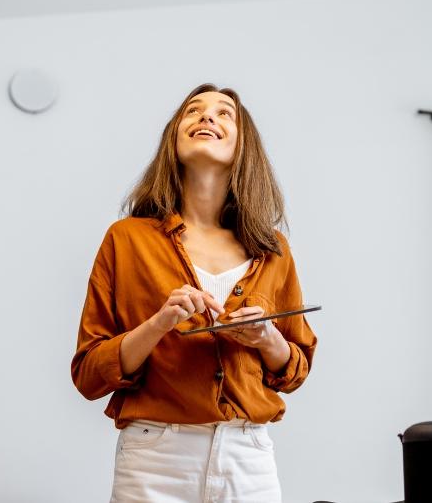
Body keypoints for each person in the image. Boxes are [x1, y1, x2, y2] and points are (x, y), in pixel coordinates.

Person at [71, 83, 317, 503]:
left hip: (248, 460)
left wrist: (267, 339)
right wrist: (158, 324)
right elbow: (89, 374)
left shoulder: (273, 249)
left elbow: (294, 369)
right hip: (154, 461)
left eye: (225, 114)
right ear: (174, 139)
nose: (207, 117)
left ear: (245, 146)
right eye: (193, 111)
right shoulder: (126, 239)